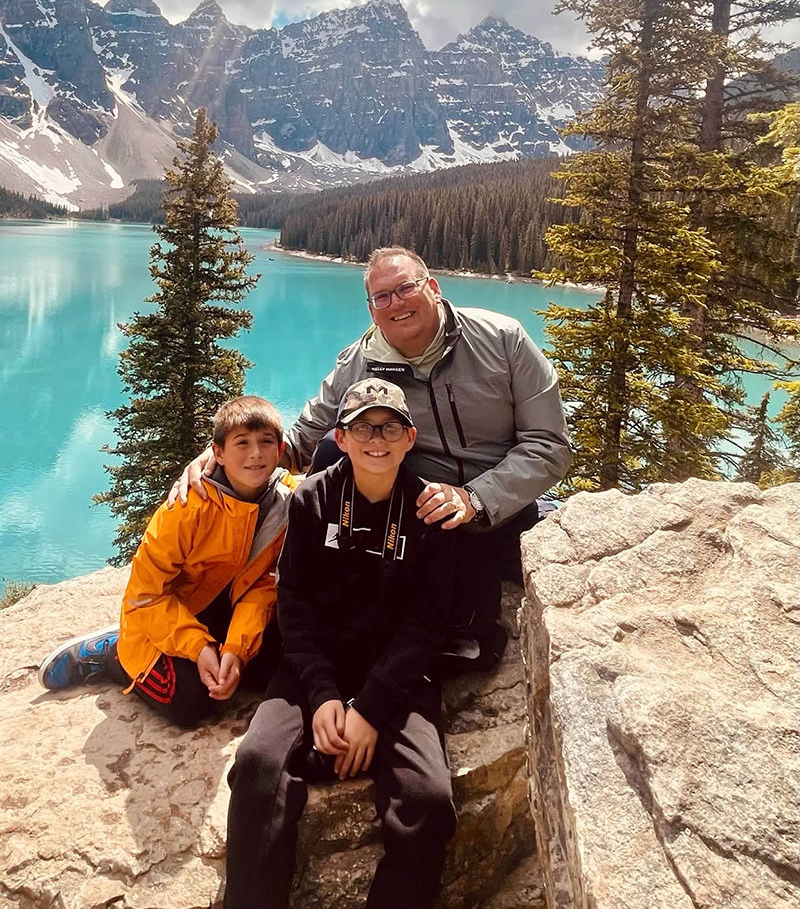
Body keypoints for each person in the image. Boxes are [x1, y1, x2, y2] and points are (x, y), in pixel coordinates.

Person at [175, 246, 571, 662]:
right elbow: (301, 442)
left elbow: (550, 445)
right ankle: (326, 593)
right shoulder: (361, 361)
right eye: (381, 297)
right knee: (332, 449)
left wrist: (475, 499)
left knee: (474, 624)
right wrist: (220, 457)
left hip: (502, 503)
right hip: (421, 514)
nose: (395, 303)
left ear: (433, 288)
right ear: (371, 309)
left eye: (405, 288)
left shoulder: (502, 340)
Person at [223, 377, 456, 909]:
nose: (377, 438)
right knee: (258, 764)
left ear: (409, 437)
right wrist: (325, 695)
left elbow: (426, 625)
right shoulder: (312, 498)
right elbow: (295, 606)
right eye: (361, 427)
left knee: (428, 797)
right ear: (342, 438)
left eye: (389, 427)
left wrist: (369, 711)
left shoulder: (429, 512)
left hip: (398, 678)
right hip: (314, 668)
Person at [39, 395, 299, 727]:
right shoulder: (189, 506)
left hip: (226, 610)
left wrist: (236, 648)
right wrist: (200, 648)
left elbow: (263, 585)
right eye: (242, 443)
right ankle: (114, 654)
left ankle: (218, 649)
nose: (256, 454)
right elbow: (146, 595)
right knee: (190, 704)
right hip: (166, 613)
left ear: (280, 450)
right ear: (217, 452)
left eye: (266, 442)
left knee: (265, 675)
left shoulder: (284, 502)